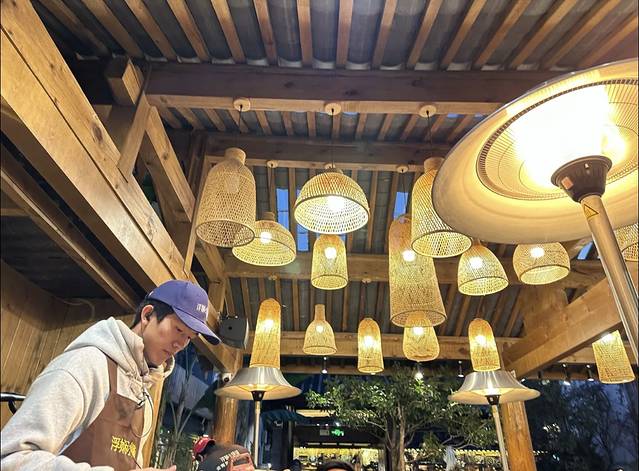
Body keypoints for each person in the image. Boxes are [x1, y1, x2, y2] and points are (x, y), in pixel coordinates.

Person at [1, 279, 221, 471]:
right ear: (147, 315)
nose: (180, 344)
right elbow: (10, 459)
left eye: (189, 338)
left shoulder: (144, 395)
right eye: (179, 329)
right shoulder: (86, 365)